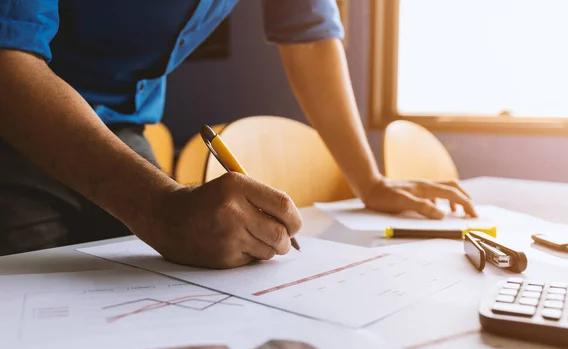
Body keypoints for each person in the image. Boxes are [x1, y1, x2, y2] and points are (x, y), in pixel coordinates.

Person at [0, 0, 476, 268]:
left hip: (126, 134)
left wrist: (368, 181)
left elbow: (309, 35)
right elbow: (9, 56)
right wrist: (159, 208)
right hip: (17, 127)